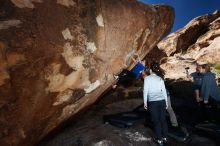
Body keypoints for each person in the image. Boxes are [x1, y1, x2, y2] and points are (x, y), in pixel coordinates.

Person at [143, 63, 168, 146]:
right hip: (162, 101)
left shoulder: (147, 78)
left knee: (157, 121)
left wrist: (145, 102)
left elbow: (145, 91)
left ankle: (160, 140)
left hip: (153, 102)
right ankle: (165, 137)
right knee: (163, 120)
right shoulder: (160, 78)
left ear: (150, 70)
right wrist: (166, 103)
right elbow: (164, 91)